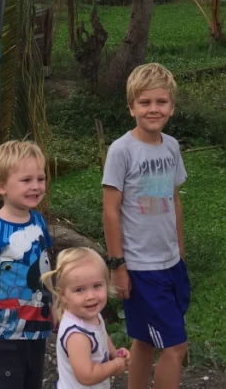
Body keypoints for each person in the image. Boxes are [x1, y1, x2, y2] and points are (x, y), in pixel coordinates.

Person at [102, 63, 189, 389]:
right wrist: (117, 265)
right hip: (140, 267)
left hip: (169, 263)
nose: (153, 109)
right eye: (145, 102)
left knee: (144, 339)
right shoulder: (121, 150)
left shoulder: (171, 147)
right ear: (131, 107)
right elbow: (110, 211)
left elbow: (174, 199)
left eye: (161, 102)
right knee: (176, 346)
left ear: (171, 106)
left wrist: (180, 250)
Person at [0, 140, 53, 389]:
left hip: (38, 330)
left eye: (41, 178)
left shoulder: (38, 221)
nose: (36, 186)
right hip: (5, 334)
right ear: (1, 186)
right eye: (26, 180)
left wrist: (56, 305)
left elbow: (47, 267)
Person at [43, 247, 131, 389]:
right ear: (63, 295)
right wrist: (115, 366)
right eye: (80, 290)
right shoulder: (77, 334)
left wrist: (114, 354)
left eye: (97, 286)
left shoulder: (91, 316)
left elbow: (102, 335)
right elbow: (86, 376)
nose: (90, 296)